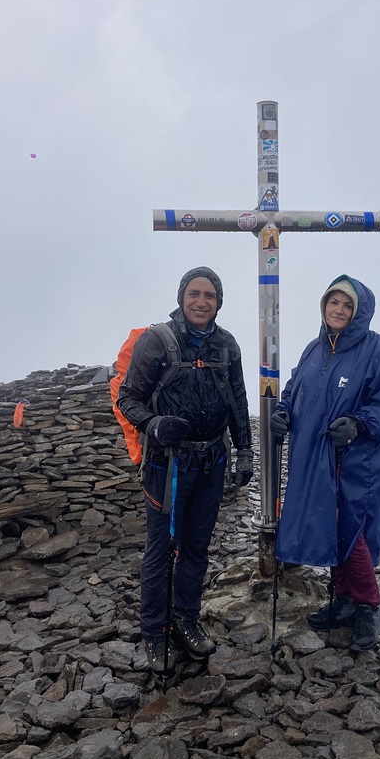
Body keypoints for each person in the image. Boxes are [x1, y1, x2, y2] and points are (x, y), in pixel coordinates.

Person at [117, 267, 253, 678]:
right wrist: (153, 425)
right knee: (161, 550)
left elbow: (237, 399)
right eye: (194, 293)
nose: (201, 301)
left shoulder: (226, 345)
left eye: (209, 295)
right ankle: (154, 633)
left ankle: (186, 621)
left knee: (196, 547)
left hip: (211, 461)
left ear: (219, 302)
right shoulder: (156, 341)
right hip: (168, 464)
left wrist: (245, 450)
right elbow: (128, 398)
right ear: (181, 297)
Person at [270, 275, 380, 651]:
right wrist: (283, 412)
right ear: (324, 306)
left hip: (354, 457)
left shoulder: (379, 350)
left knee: (351, 528)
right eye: (334, 302)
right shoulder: (314, 350)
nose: (339, 310)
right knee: (329, 522)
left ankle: (368, 604)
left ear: (360, 312)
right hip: (313, 456)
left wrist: (360, 422)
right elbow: (295, 389)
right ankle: (345, 600)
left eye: (348, 305)